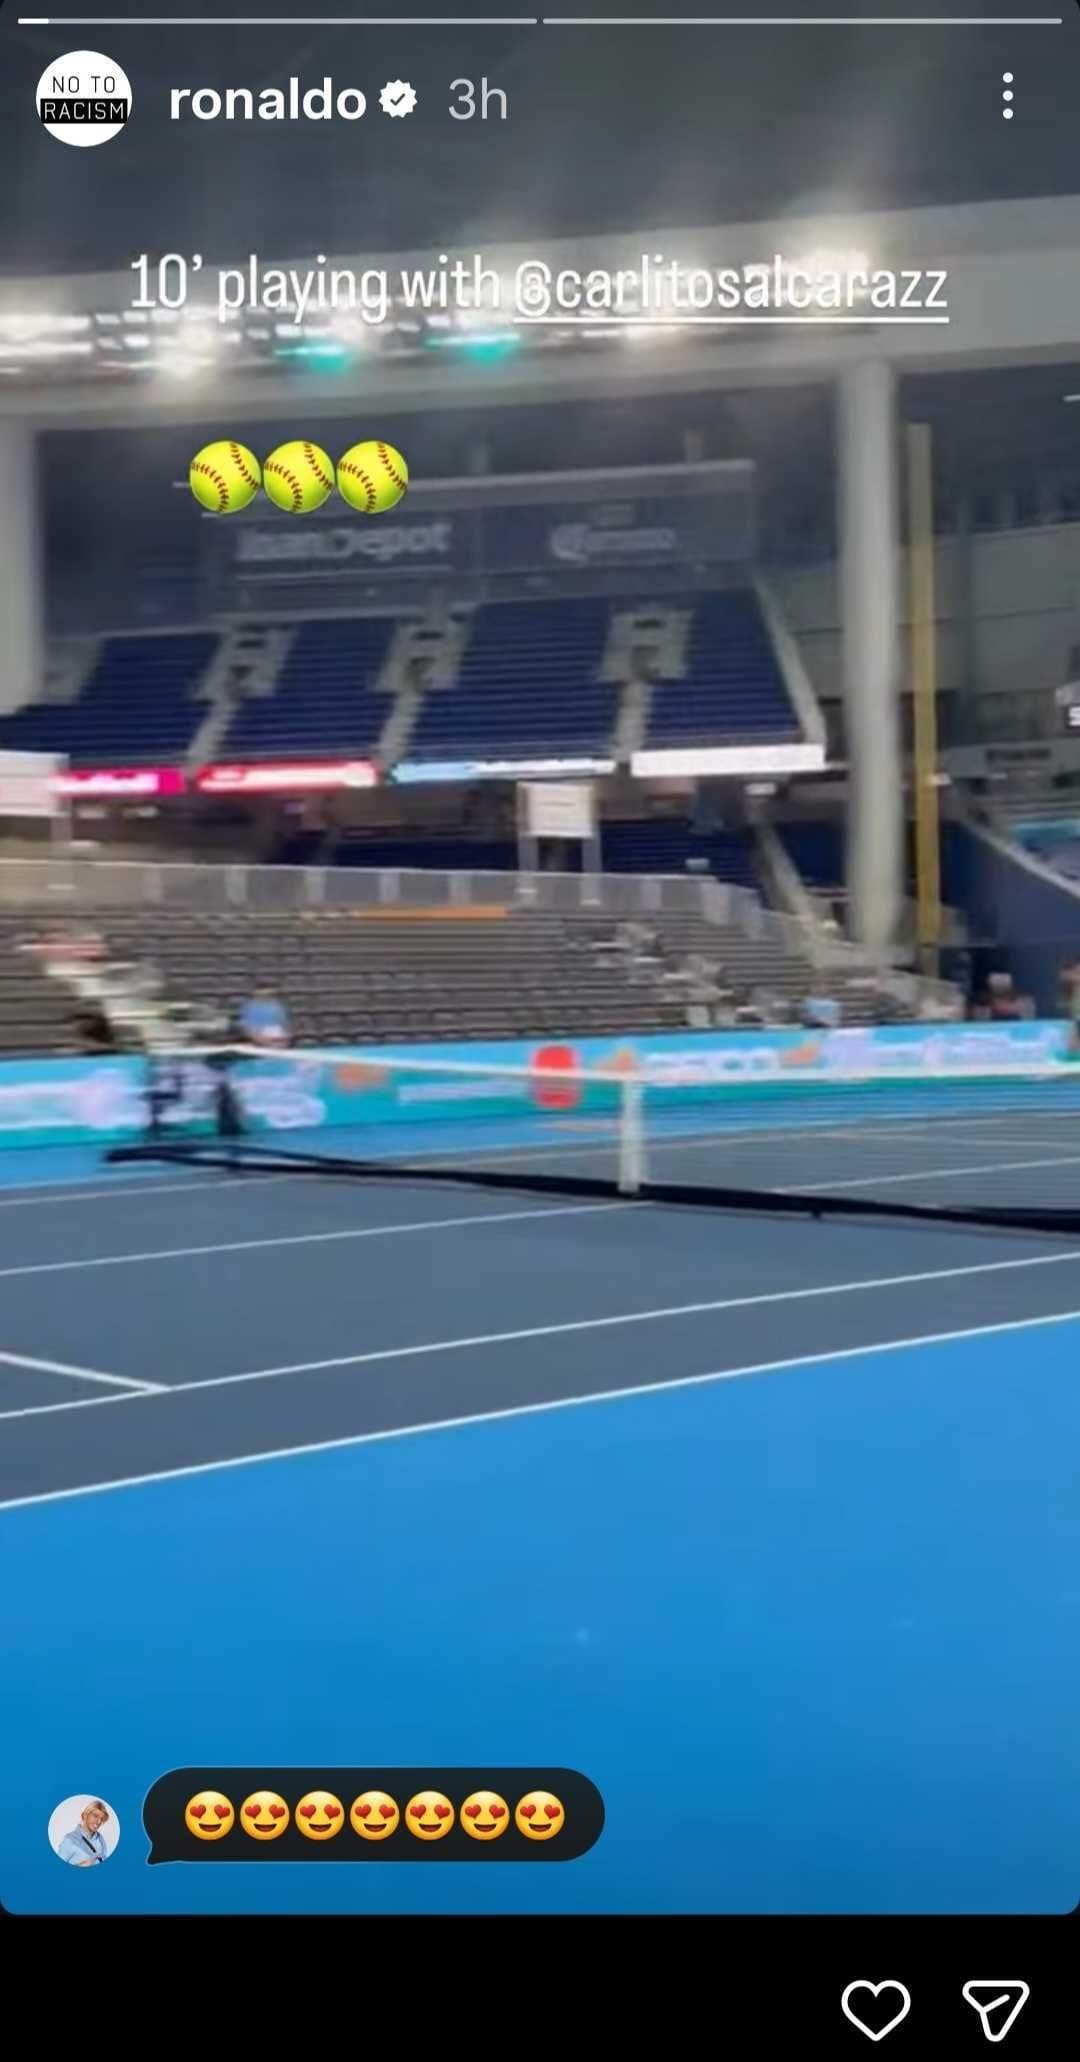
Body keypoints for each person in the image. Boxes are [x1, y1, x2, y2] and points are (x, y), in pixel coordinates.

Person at [57, 1800, 111, 1867]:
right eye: (95, 1816)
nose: (99, 1822)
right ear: (85, 1815)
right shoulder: (69, 1840)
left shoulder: (101, 1840)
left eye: (101, 1819)